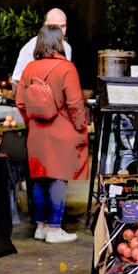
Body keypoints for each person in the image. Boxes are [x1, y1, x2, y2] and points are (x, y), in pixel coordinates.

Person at [16, 25, 88, 244]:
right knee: (58, 178)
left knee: (38, 179)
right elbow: (75, 103)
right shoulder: (67, 68)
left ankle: (40, 226)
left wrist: (31, 122)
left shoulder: (29, 69)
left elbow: (20, 101)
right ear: (59, 43)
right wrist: (80, 126)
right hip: (61, 131)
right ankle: (55, 229)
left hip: (37, 133)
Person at [12, 8, 71, 93]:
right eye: (55, 26)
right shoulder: (31, 47)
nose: (59, 31)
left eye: (63, 26)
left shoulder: (67, 48)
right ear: (45, 25)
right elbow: (16, 81)